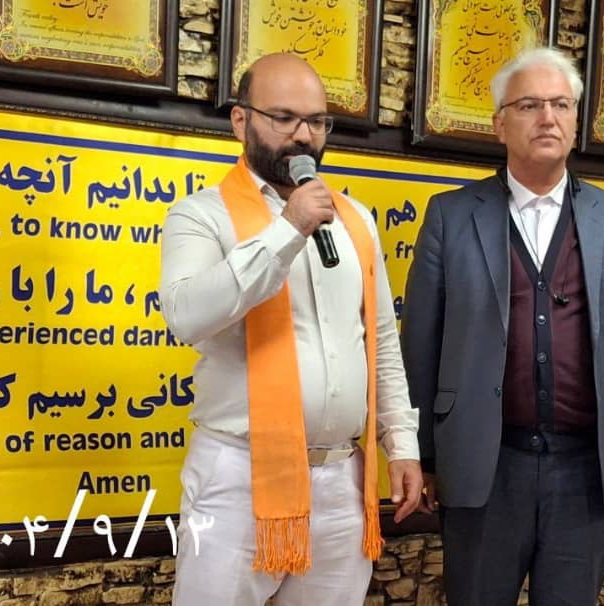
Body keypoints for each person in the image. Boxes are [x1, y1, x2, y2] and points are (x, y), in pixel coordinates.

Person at [401, 47, 604, 605]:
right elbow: (420, 345)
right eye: (530, 105)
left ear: (575, 120)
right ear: (500, 123)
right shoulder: (451, 216)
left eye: (561, 105)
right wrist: (421, 455)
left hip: (585, 468)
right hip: (484, 466)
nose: (548, 118)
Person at [159, 53, 422, 606]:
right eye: (283, 118)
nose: (303, 136)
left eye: (317, 121)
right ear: (241, 121)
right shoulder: (201, 215)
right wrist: (288, 229)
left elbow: (379, 343)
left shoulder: (354, 220)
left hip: (342, 479)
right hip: (237, 478)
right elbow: (186, 315)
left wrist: (401, 444)